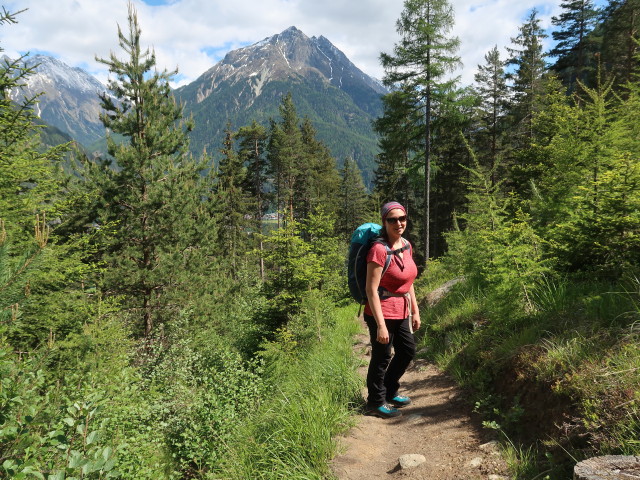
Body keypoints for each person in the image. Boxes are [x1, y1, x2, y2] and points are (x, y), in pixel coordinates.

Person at [364, 201, 420, 418]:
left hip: (402, 309)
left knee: (407, 350)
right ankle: (375, 402)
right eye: (392, 219)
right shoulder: (378, 250)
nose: (398, 223)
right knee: (382, 356)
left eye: (402, 218)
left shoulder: (406, 244)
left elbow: (409, 280)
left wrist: (415, 310)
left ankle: (388, 390)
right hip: (381, 311)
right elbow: (371, 289)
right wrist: (380, 325)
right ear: (384, 222)